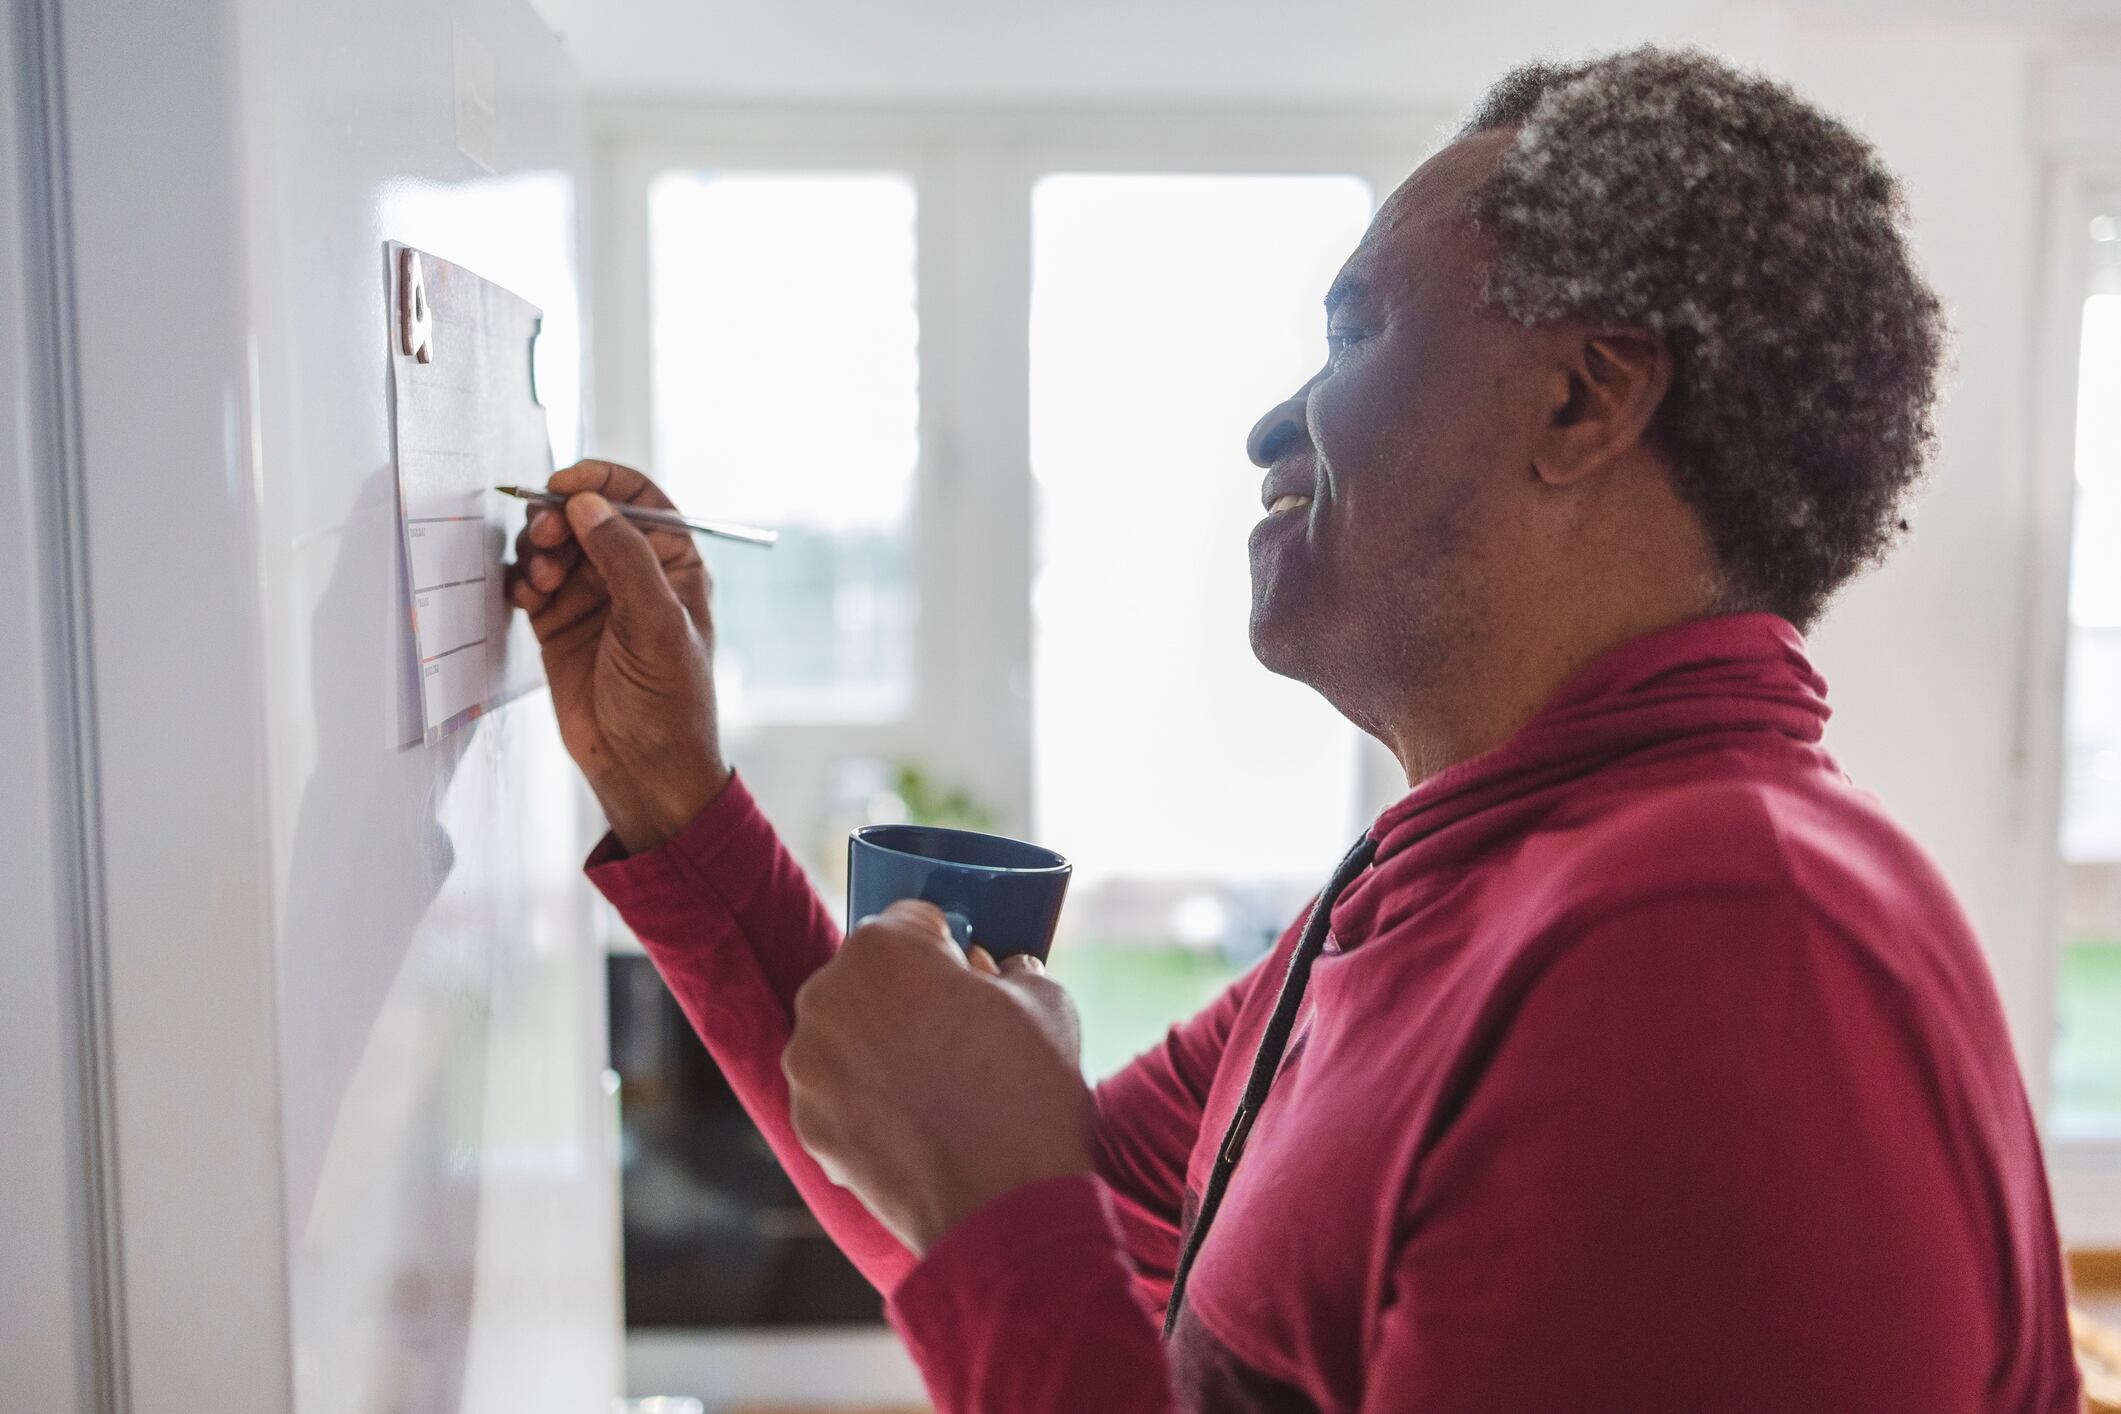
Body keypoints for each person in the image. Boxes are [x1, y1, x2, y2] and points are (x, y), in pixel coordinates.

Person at [508, 45, 2080, 1413]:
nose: (1272, 422)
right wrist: (669, 788)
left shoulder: (1717, 942)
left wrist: (996, 1194)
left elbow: (1000, 1217)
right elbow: (995, 1213)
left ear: (1583, 401)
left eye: (1353, 335)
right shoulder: (1426, 889)